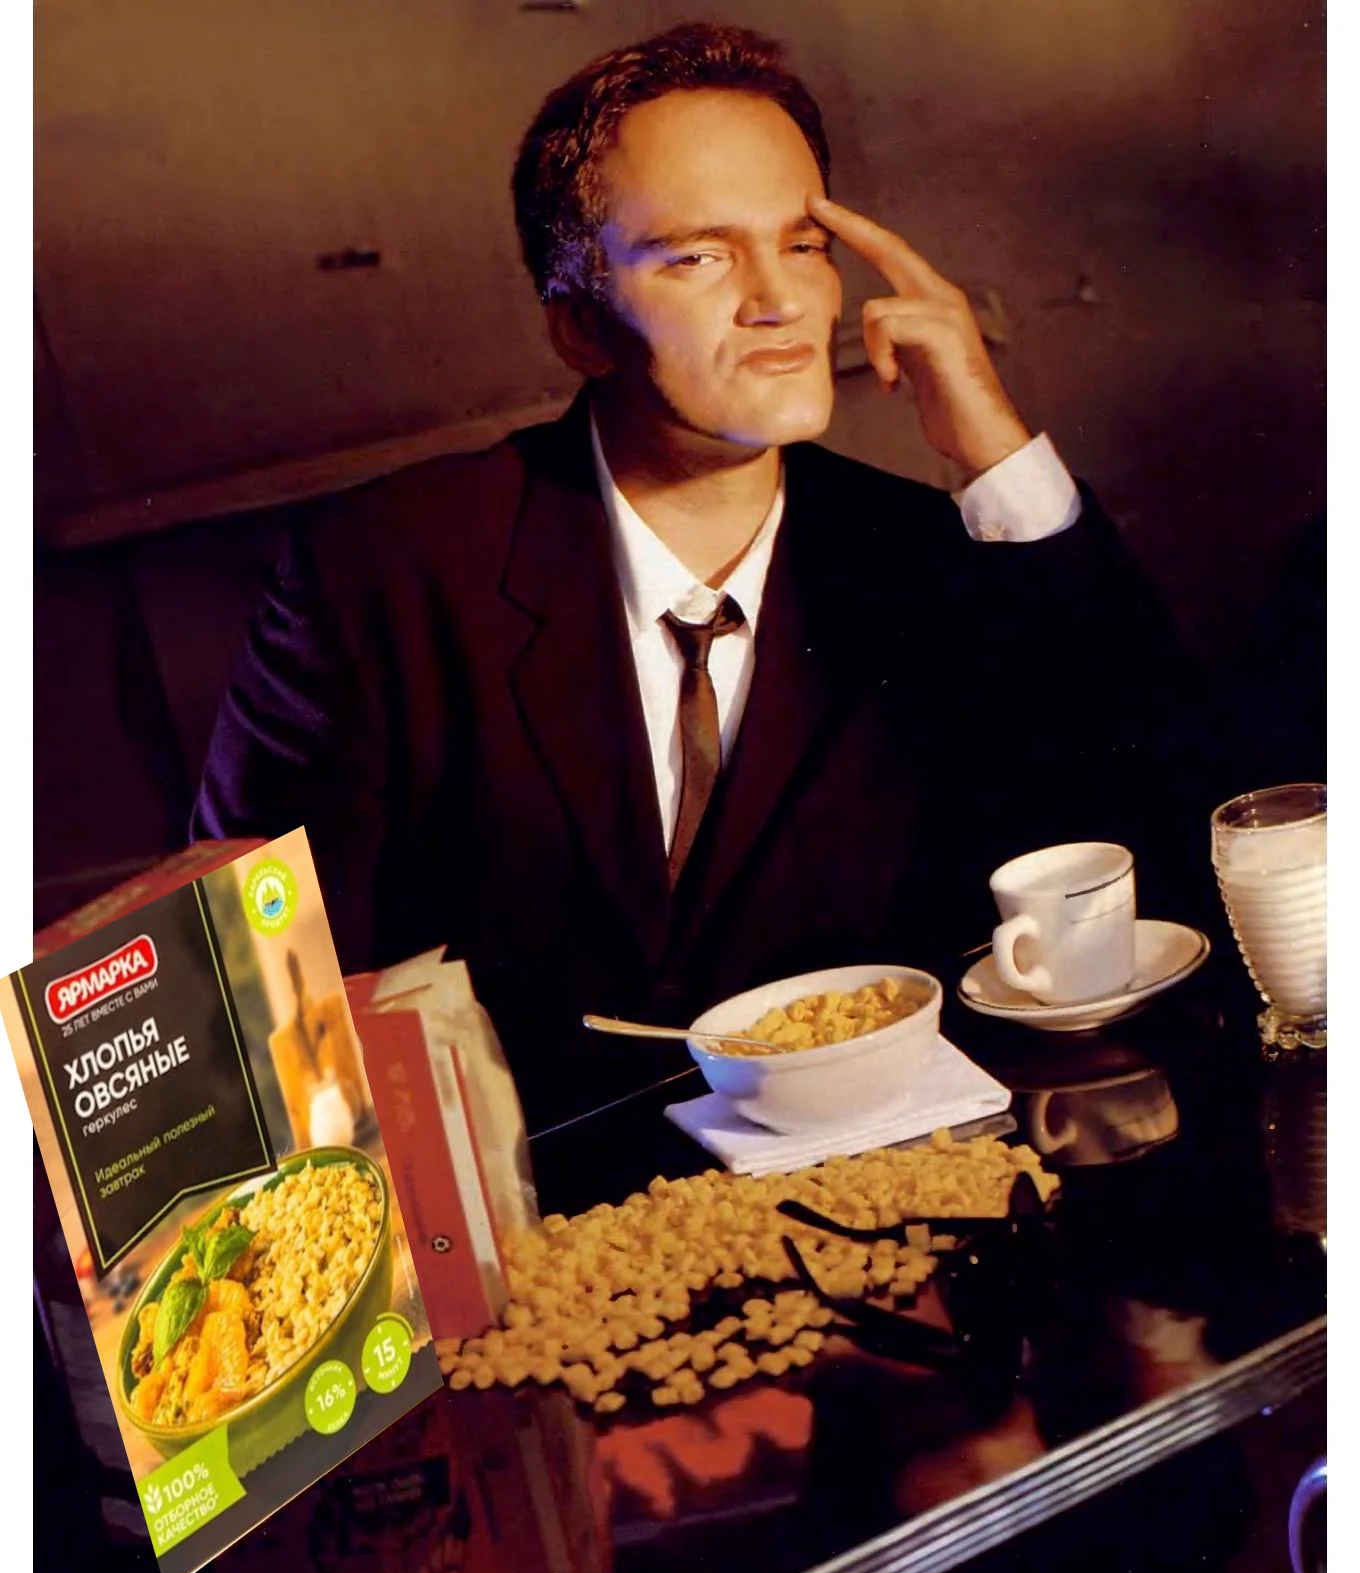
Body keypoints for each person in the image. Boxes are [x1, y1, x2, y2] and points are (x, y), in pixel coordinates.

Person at [194, 23, 1200, 1140]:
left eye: (803, 245)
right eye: (698, 258)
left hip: (892, 1188)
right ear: (580, 325)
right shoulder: (379, 570)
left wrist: (1000, 456)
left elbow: (1166, 823)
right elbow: (251, 990)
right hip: (527, 1212)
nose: (778, 300)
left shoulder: (928, 554)